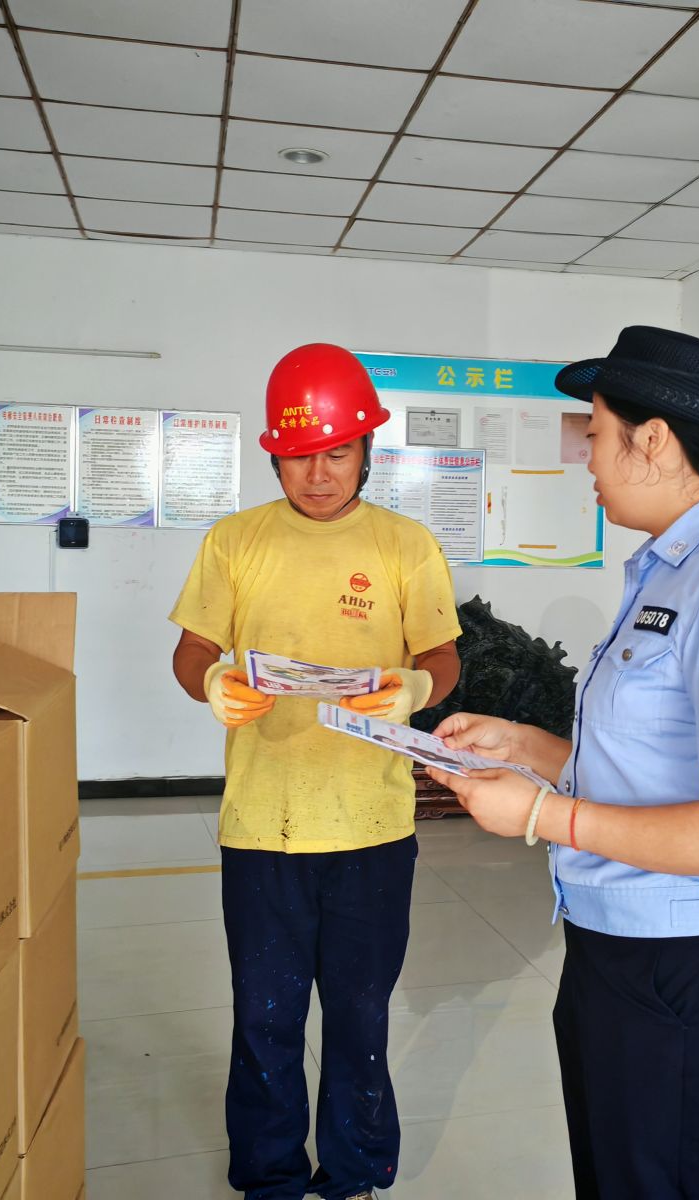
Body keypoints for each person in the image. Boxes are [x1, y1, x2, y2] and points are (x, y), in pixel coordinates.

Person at [426, 326, 699, 1200]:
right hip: (613, 950)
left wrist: (539, 815)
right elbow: (646, 765)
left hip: (682, 972)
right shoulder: (665, 572)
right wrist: (526, 748)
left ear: (655, 440)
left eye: (597, 435)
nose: (588, 461)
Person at [169, 343, 462, 1200]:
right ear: (275, 456)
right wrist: (212, 683)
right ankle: (269, 1177)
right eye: (300, 455)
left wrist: (416, 686)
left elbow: (441, 655)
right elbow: (191, 650)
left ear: (367, 449)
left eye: (337, 453)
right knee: (265, 1015)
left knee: (360, 1016)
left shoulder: (406, 544)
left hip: (373, 822)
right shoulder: (236, 540)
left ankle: (354, 1173)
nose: (319, 474)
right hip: (264, 821)